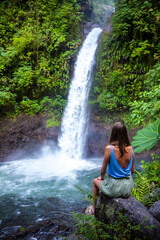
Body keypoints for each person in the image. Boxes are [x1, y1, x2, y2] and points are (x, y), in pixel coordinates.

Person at [90, 122, 135, 214]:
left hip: (114, 188)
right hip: (128, 187)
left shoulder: (109, 148)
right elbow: (132, 170)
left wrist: (102, 178)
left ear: (113, 133)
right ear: (125, 133)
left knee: (95, 181)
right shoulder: (131, 148)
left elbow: (103, 170)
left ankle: (95, 209)